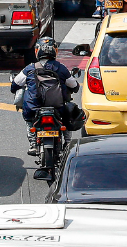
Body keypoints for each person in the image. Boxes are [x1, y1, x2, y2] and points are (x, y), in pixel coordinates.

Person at [11, 37, 79, 180]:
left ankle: (32, 141)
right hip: (57, 109)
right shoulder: (61, 68)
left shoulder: (30, 68)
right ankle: (67, 143)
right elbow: (75, 86)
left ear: (37, 51)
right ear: (55, 51)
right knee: (66, 121)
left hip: (33, 110)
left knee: (29, 120)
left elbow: (14, 86)